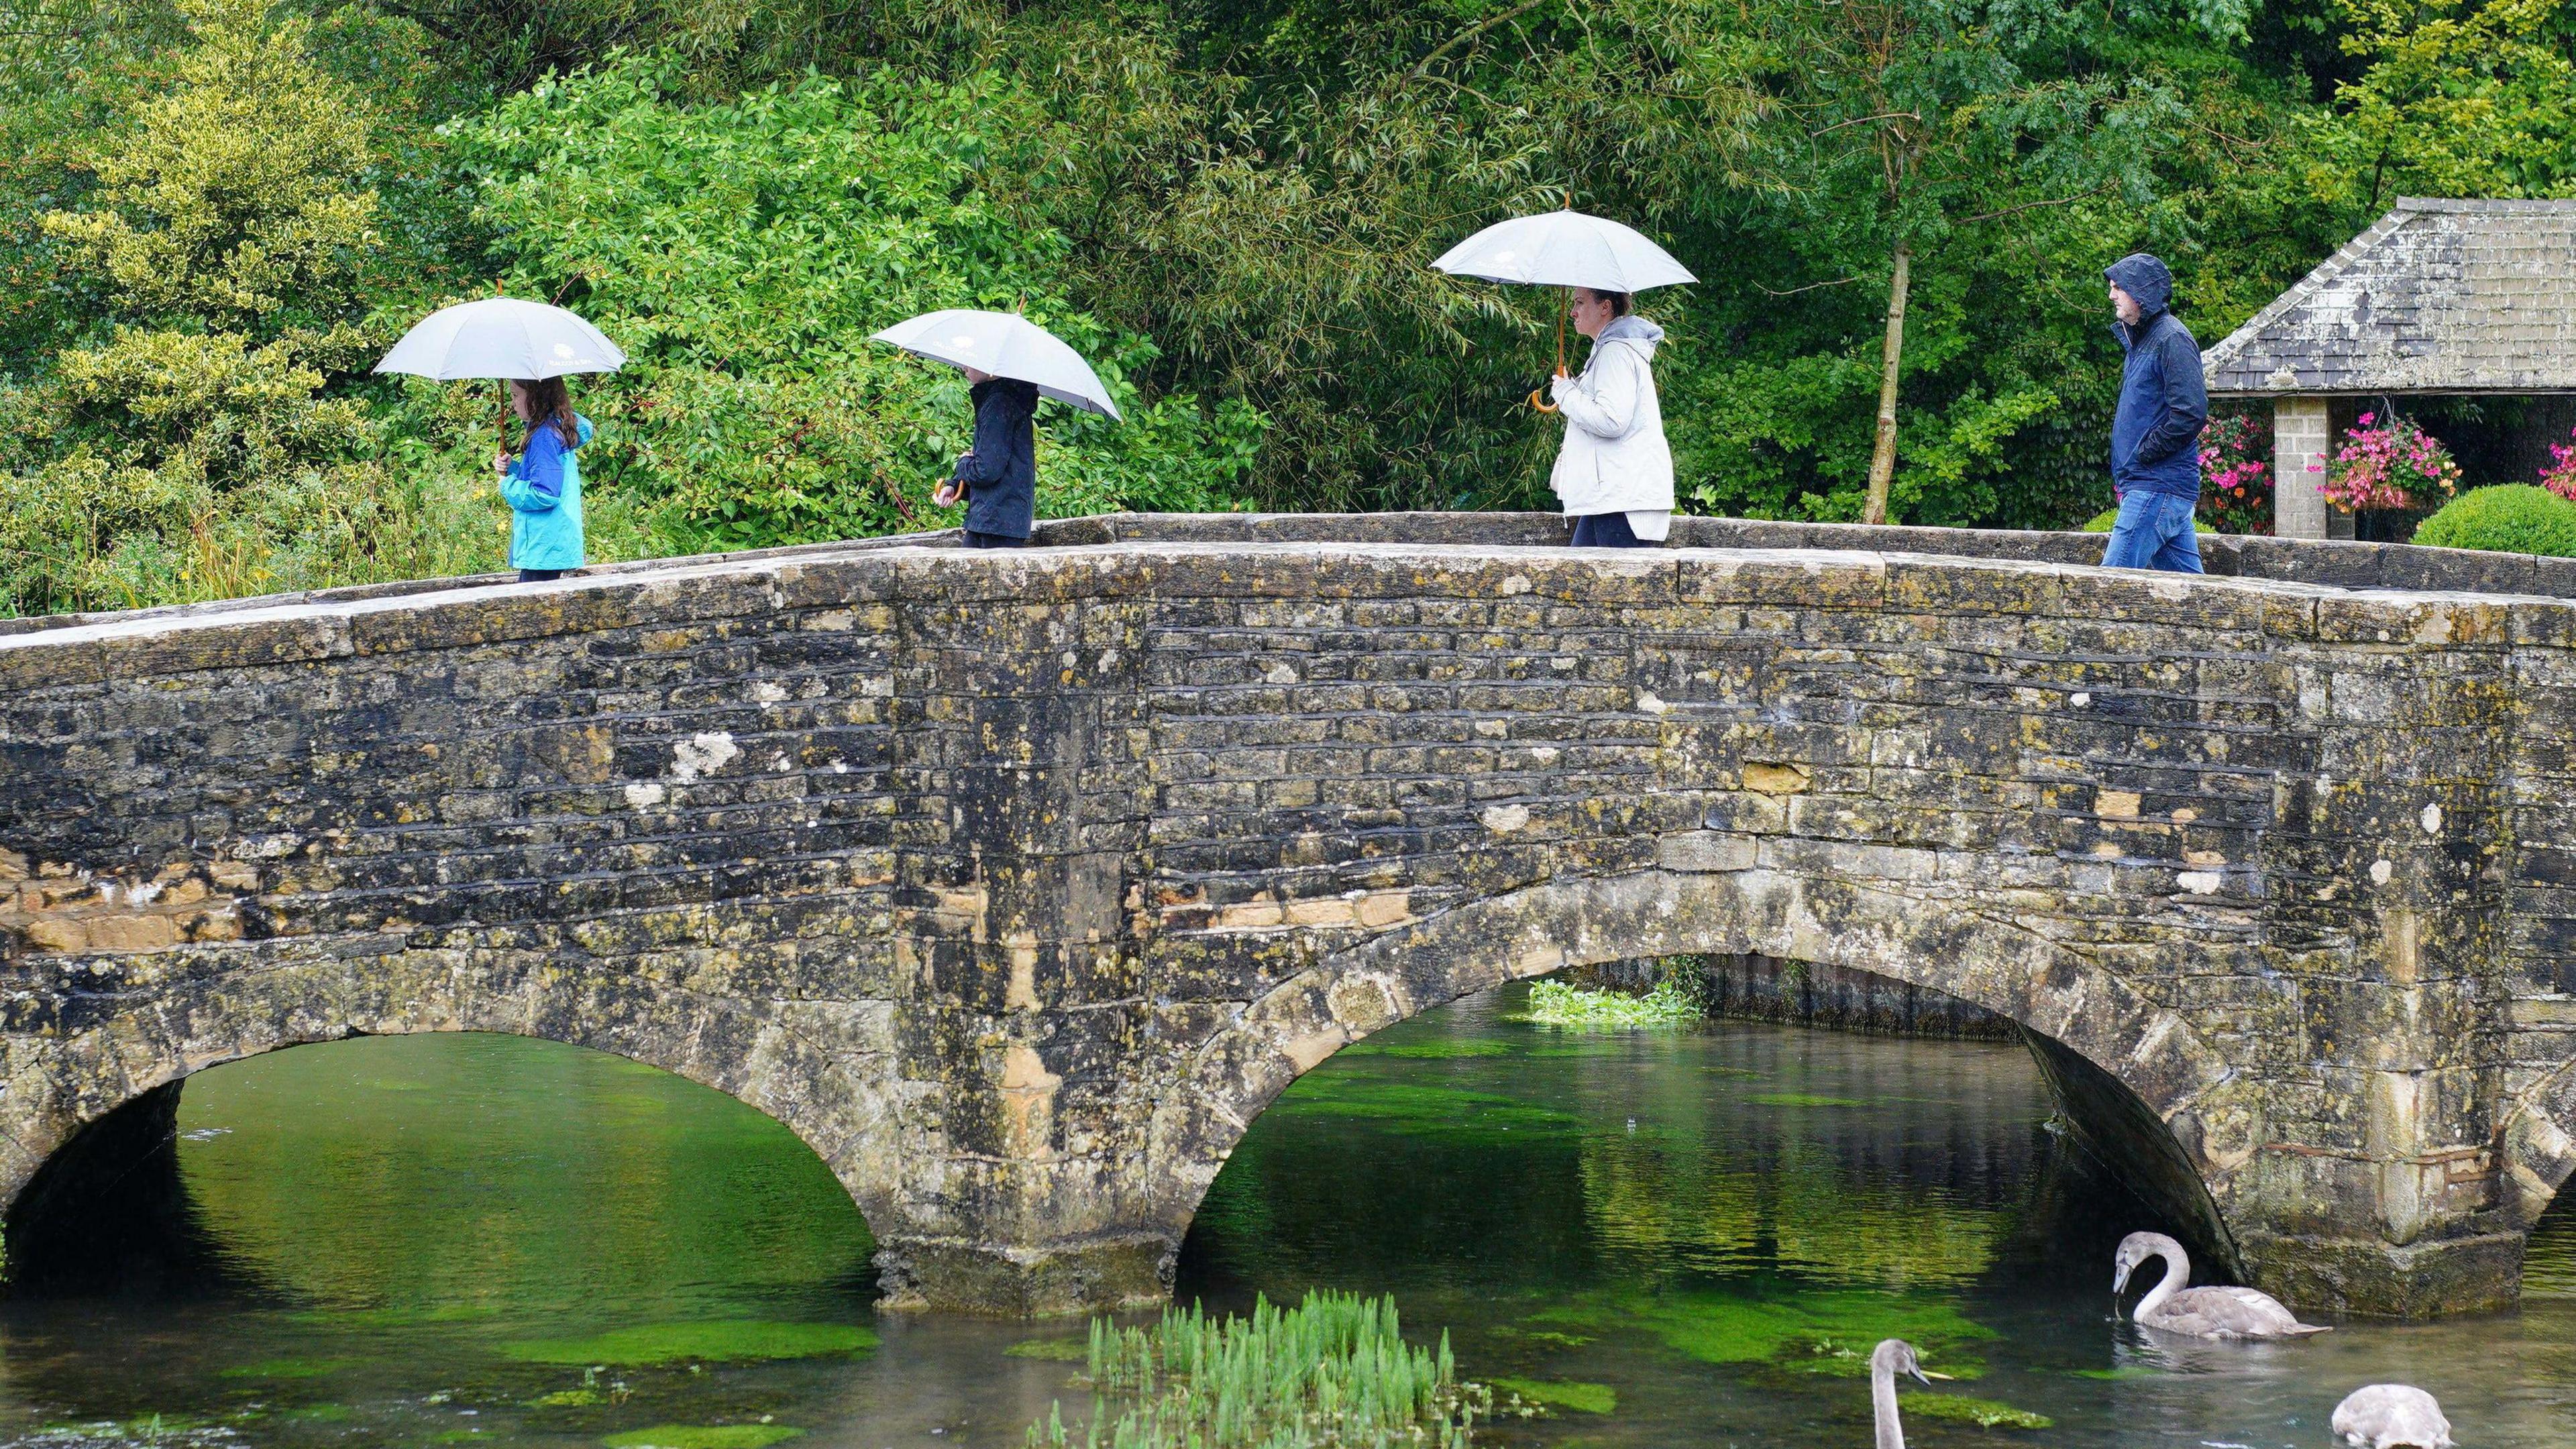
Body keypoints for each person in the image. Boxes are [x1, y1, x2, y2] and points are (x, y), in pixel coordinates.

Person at [2101, 253, 2208, 573]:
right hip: (2156, 486)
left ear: (2141, 291)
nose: (2112, 295)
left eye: (2119, 287)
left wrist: (2144, 453)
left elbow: (2191, 413)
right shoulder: (2144, 341)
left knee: (2107, 589)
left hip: (2156, 487)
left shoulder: (2171, 338)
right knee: (2194, 599)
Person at [1548, 287, 1673, 547]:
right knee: (1579, 579)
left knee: (1600, 584)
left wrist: (1565, 393)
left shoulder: (1615, 352)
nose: (1572, 312)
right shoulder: (1609, 351)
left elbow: (1612, 420)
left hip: (1623, 502)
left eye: (1580, 303)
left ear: (1605, 307)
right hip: (1611, 498)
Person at [492, 376, 590, 583]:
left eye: (516, 395)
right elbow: (547, 478)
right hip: (553, 543)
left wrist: (506, 486)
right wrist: (513, 470)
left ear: (536, 397)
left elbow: (545, 494)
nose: (512, 403)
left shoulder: (544, 437)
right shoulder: (554, 427)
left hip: (544, 546)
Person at [932, 366, 1040, 547]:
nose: (963, 368)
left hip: (997, 521)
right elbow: (993, 462)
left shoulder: (999, 404)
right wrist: (955, 485)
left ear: (990, 369)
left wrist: (963, 463)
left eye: (969, 363)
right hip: (996, 519)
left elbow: (986, 471)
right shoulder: (1002, 399)